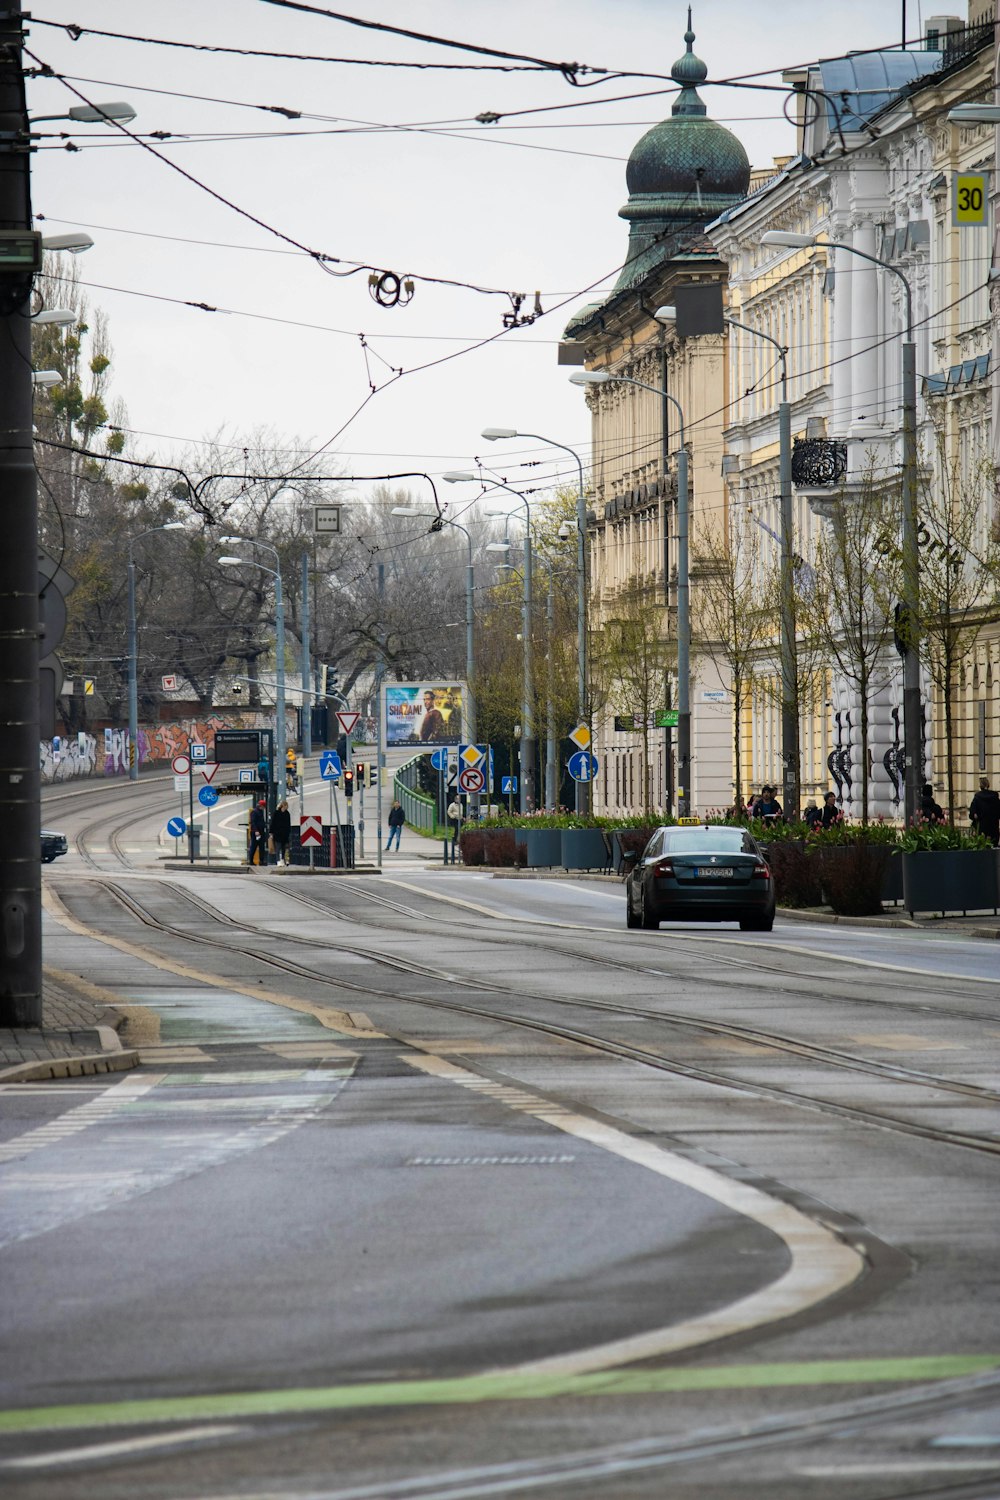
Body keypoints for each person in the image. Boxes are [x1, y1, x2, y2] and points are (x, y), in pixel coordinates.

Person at [969, 776, 1000, 845]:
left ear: (980, 786)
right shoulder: (995, 797)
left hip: (981, 828)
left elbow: (972, 814)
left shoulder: (977, 798)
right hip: (993, 828)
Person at [270, 798, 292, 865]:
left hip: (285, 834)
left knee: (283, 848)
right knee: (278, 847)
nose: (286, 808)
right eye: (286, 806)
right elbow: (273, 823)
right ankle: (278, 861)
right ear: (283, 806)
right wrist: (271, 832)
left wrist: (288, 832)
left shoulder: (287, 814)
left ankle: (282, 859)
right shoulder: (276, 813)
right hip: (277, 833)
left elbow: (288, 824)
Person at [248, 799, 268, 866]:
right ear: (261, 806)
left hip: (261, 831)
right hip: (256, 833)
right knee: (254, 846)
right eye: (263, 806)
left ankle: (261, 861)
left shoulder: (260, 811)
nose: (264, 808)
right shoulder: (254, 812)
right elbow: (253, 822)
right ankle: (251, 861)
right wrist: (256, 831)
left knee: (261, 847)